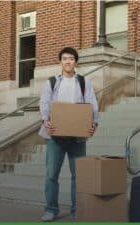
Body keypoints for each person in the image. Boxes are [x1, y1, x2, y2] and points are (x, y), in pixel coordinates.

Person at [38, 47, 99, 222]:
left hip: (77, 138)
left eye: (71, 59)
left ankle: (75, 210)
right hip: (55, 137)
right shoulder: (51, 82)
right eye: (64, 58)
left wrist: (93, 123)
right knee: (51, 175)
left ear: (76, 62)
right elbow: (44, 103)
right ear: (60, 62)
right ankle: (51, 209)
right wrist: (45, 120)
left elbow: (92, 104)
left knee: (78, 176)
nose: (68, 62)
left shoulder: (83, 82)